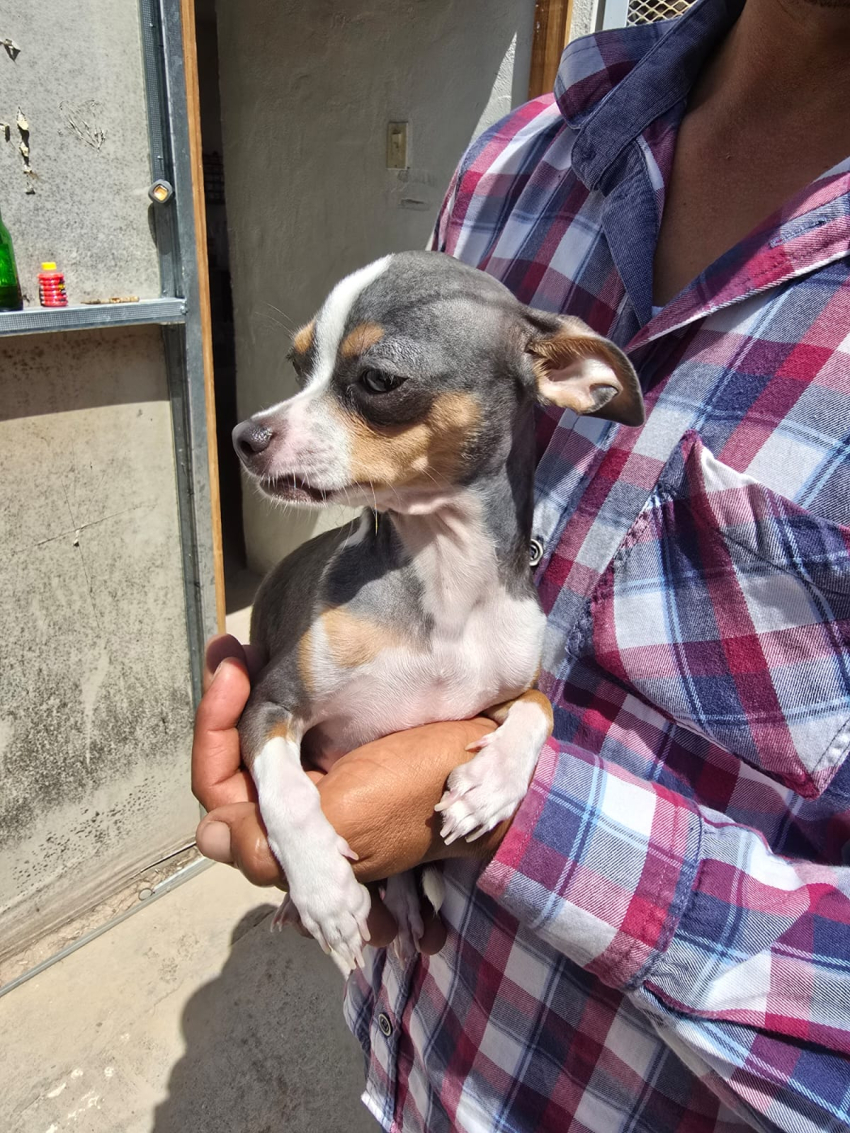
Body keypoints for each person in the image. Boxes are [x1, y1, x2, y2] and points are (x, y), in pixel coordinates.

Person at [191, 0, 850, 1128]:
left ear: (578, 374)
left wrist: (516, 810)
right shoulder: (515, 162)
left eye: (374, 384)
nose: (268, 427)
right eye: (317, 374)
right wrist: (305, 803)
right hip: (401, 1055)